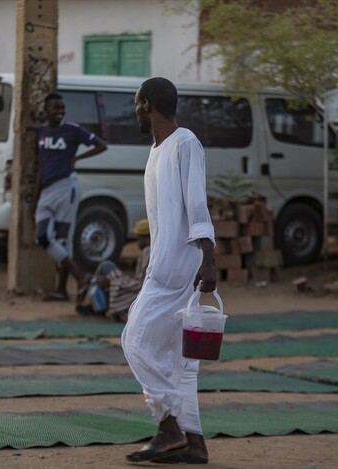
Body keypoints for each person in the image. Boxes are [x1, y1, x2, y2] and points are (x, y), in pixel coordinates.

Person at [121, 77, 217, 464]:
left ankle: (168, 426)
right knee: (180, 361)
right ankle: (192, 442)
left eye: (135, 105)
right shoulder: (158, 149)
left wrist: (209, 258)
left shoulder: (185, 143)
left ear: (146, 105)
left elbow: (197, 204)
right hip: (165, 262)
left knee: (135, 340)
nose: (135, 112)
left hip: (178, 267)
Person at [33, 93, 107, 302]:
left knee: (63, 241)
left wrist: (77, 158)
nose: (59, 112)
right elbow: (40, 166)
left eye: (61, 108)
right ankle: (80, 276)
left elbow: (102, 145)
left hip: (67, 188)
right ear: (46, 110)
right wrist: (35, 198)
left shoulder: (72, 130)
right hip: (47, 191)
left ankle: (61, 290)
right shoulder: (41, 133)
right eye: (55, 108)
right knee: (43, 236)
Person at [76, 218, 151, 322]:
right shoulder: (151, 251)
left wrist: (112, 282)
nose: (137, 243)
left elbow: (141, 285)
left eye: (138, 239)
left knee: (106, 267)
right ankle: (94, 298)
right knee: (106, 268)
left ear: (147, 238)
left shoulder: (148, 251)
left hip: (138, 293)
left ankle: (93, 299)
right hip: (137, 289)